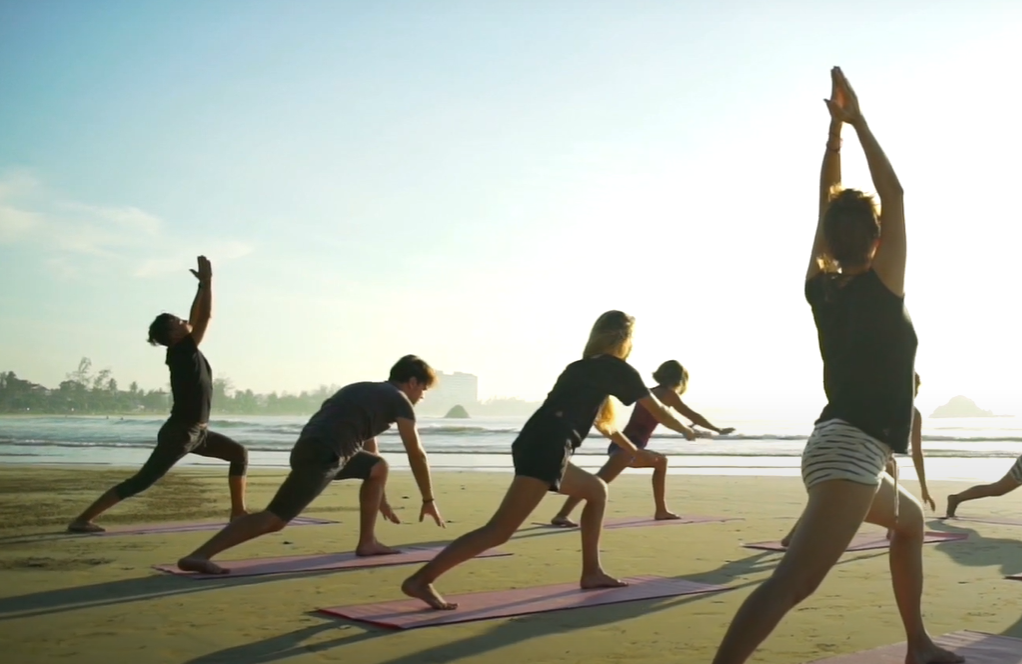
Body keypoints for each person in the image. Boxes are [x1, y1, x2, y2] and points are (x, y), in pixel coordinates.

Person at [711, 68, 962, 664]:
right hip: (849, 451)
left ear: (826, 241)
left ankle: (919, 645)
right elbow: (895, 196)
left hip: (842, 446)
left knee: (908, 526)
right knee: (794, 583)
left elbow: (827, 210)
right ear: (876, 240)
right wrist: (857, 122)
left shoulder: (819, 287)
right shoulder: (882, 285)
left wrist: (834, 138)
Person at [400, 310, 692, 610]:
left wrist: (632, 450)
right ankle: (421, 580)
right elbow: (657, 409)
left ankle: (592, 572)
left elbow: (606, 425)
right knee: (499, 530)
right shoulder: (616, 368)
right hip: (548, 445)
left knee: (596, 491)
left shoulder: (579, 368)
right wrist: (687, 430)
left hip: (536, 441)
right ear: (624, 339)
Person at [175, 355, 443, 574]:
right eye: (424, 388)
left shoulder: (363, 390)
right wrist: (428, 499)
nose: (422, 396)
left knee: (378, 466)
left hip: (311, 449)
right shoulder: (400, 401)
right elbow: (416, 453)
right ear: (411, 382)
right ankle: (200, 555)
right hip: (325, 454)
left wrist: (379, 491)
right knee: (275, 519)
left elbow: (368, 444)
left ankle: (367, 541)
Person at [68, 256, 250, 534]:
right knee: (143, 481)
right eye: (179, 321)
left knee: (239, 454)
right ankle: (82, 519)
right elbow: (205, 317)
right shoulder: (182, 351)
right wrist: (209, 283)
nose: (185, 321)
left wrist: (201, 287)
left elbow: (197, 316)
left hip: (197, 433)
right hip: (181, 432)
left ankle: (238, 513)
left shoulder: (184, 349)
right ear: (174, 334)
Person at [549, 359, 734, 527]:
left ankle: (661, 510)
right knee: (599, 481)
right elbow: (690, 414)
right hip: (629, 446)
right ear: (680, 379)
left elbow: (667, 417)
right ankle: (562, 514)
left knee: (657, 463)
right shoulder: (668, 394)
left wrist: (691, 430)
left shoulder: (651, 393)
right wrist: (716, 429)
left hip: (625, 445)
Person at [778, 371, 931, 546]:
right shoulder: (896, 408)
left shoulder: (900, 408)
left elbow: (917, 452)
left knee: (825, 497)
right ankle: (893, 526)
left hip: (824, 454)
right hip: (855, 459)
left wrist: (924, 488)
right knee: (835, 496)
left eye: (916, 388)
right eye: (912, 388)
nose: (914, 392)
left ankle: (794, 534)